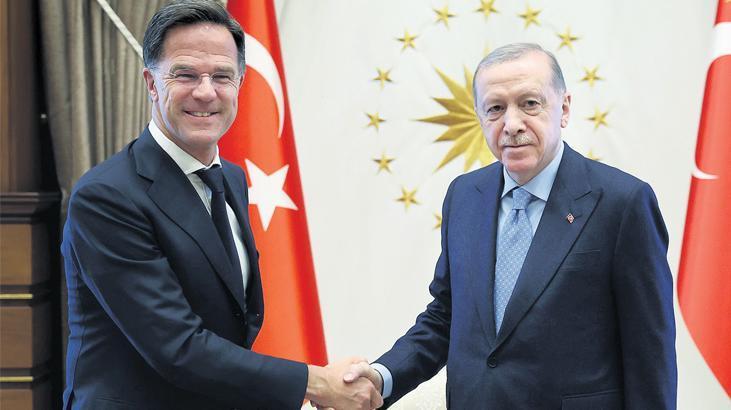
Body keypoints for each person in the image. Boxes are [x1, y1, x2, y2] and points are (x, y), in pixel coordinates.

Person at [61, 1, 381, 409]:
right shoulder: (106, 197)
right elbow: (177, 347)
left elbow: (233, 321)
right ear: (151, 83)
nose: (205, 91)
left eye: (222, 76)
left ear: (240, 84)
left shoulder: (230, 178)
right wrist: (316, 382)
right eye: (185, 75)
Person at [343, 43, 677, 409]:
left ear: (564, 108)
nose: (512, 124)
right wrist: (381, 376)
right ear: (480, 117)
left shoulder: (622, 203)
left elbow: (649, 354)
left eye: (530, 104)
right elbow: (445, 316)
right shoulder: (464, 196)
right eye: (496, 108)